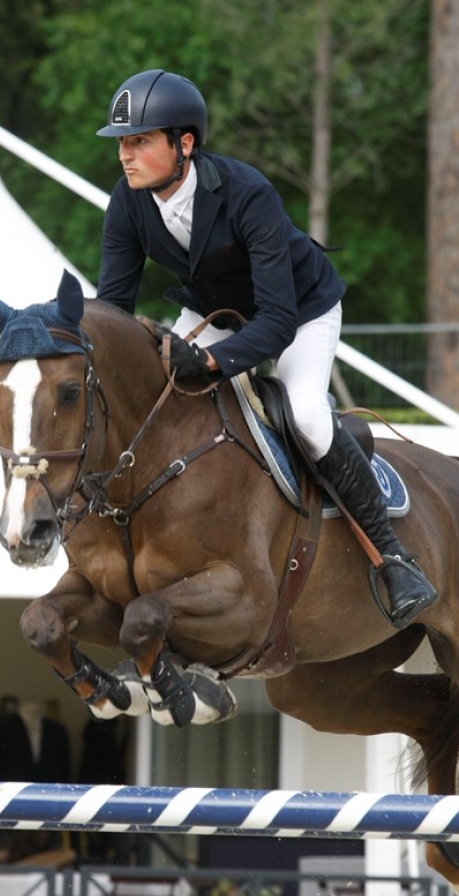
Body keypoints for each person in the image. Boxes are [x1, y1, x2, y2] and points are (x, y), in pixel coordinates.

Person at [95, 68, 437, 629]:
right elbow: (111, 307)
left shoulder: (247, 193)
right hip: (218, 311)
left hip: (300, 311)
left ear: (185, 144)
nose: (125, 156)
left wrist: (208, 360)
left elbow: (276, 319)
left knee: (303, 413)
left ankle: (395, 558)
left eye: (139, 142)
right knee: (159, 396)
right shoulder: (129, 203)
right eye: (122, 144)